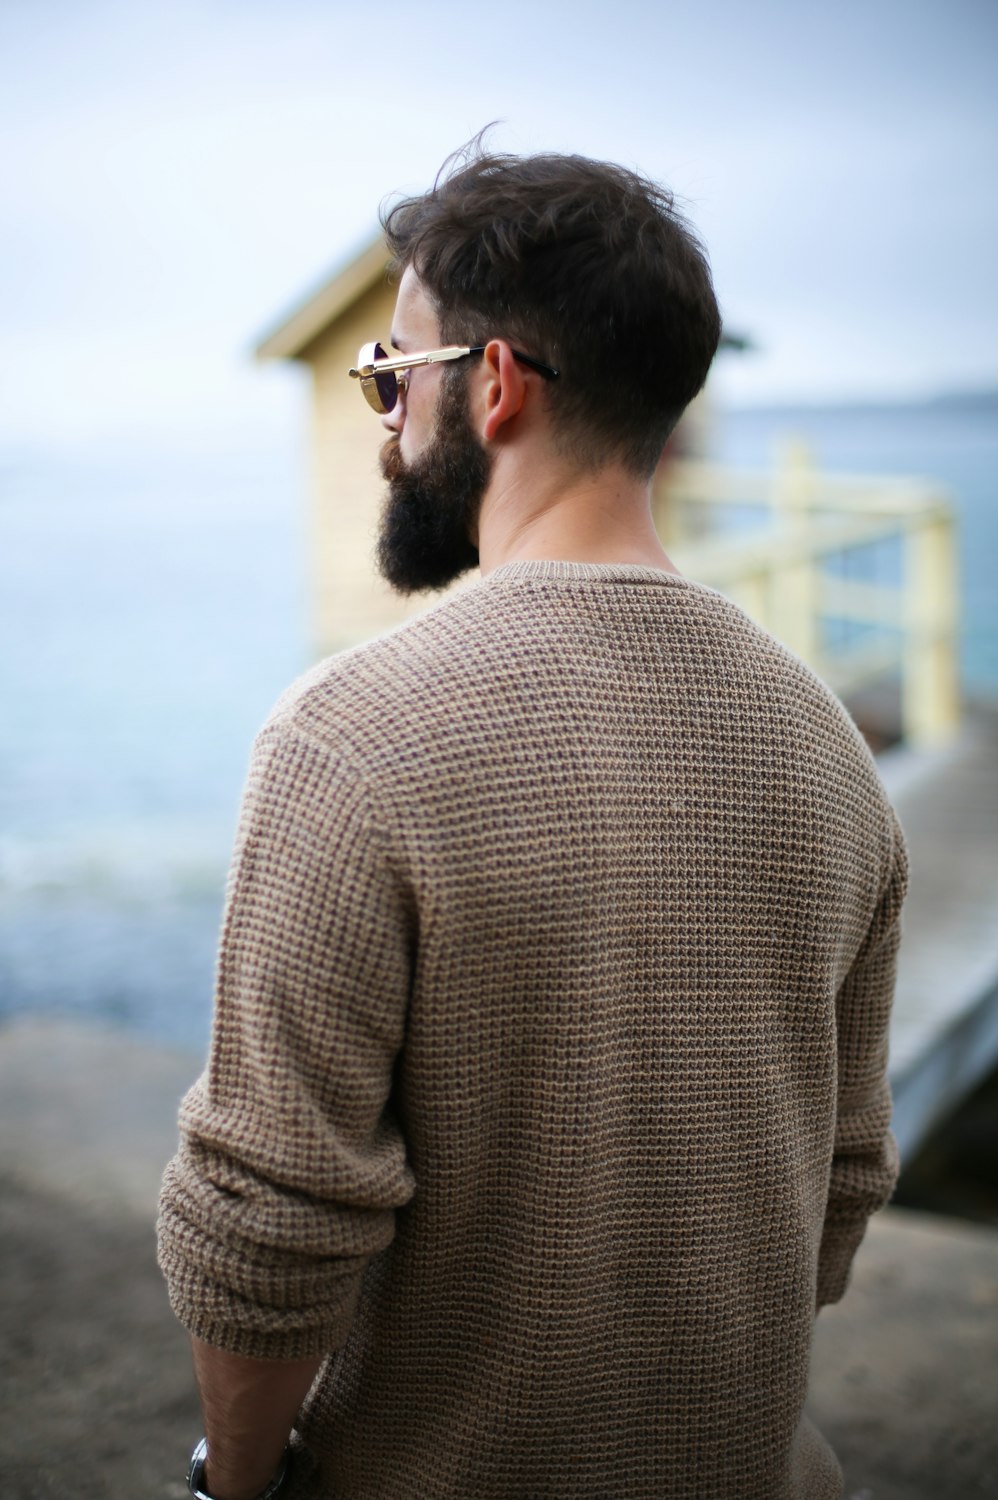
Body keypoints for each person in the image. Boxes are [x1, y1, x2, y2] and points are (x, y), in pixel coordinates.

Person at [158, 139, 908, 1500]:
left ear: (492, 384)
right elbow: (840, 1177)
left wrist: (235, 1482)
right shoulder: (826, 744)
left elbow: (270, 1214)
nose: (383, 416)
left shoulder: (349, 738)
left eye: (393, 373)